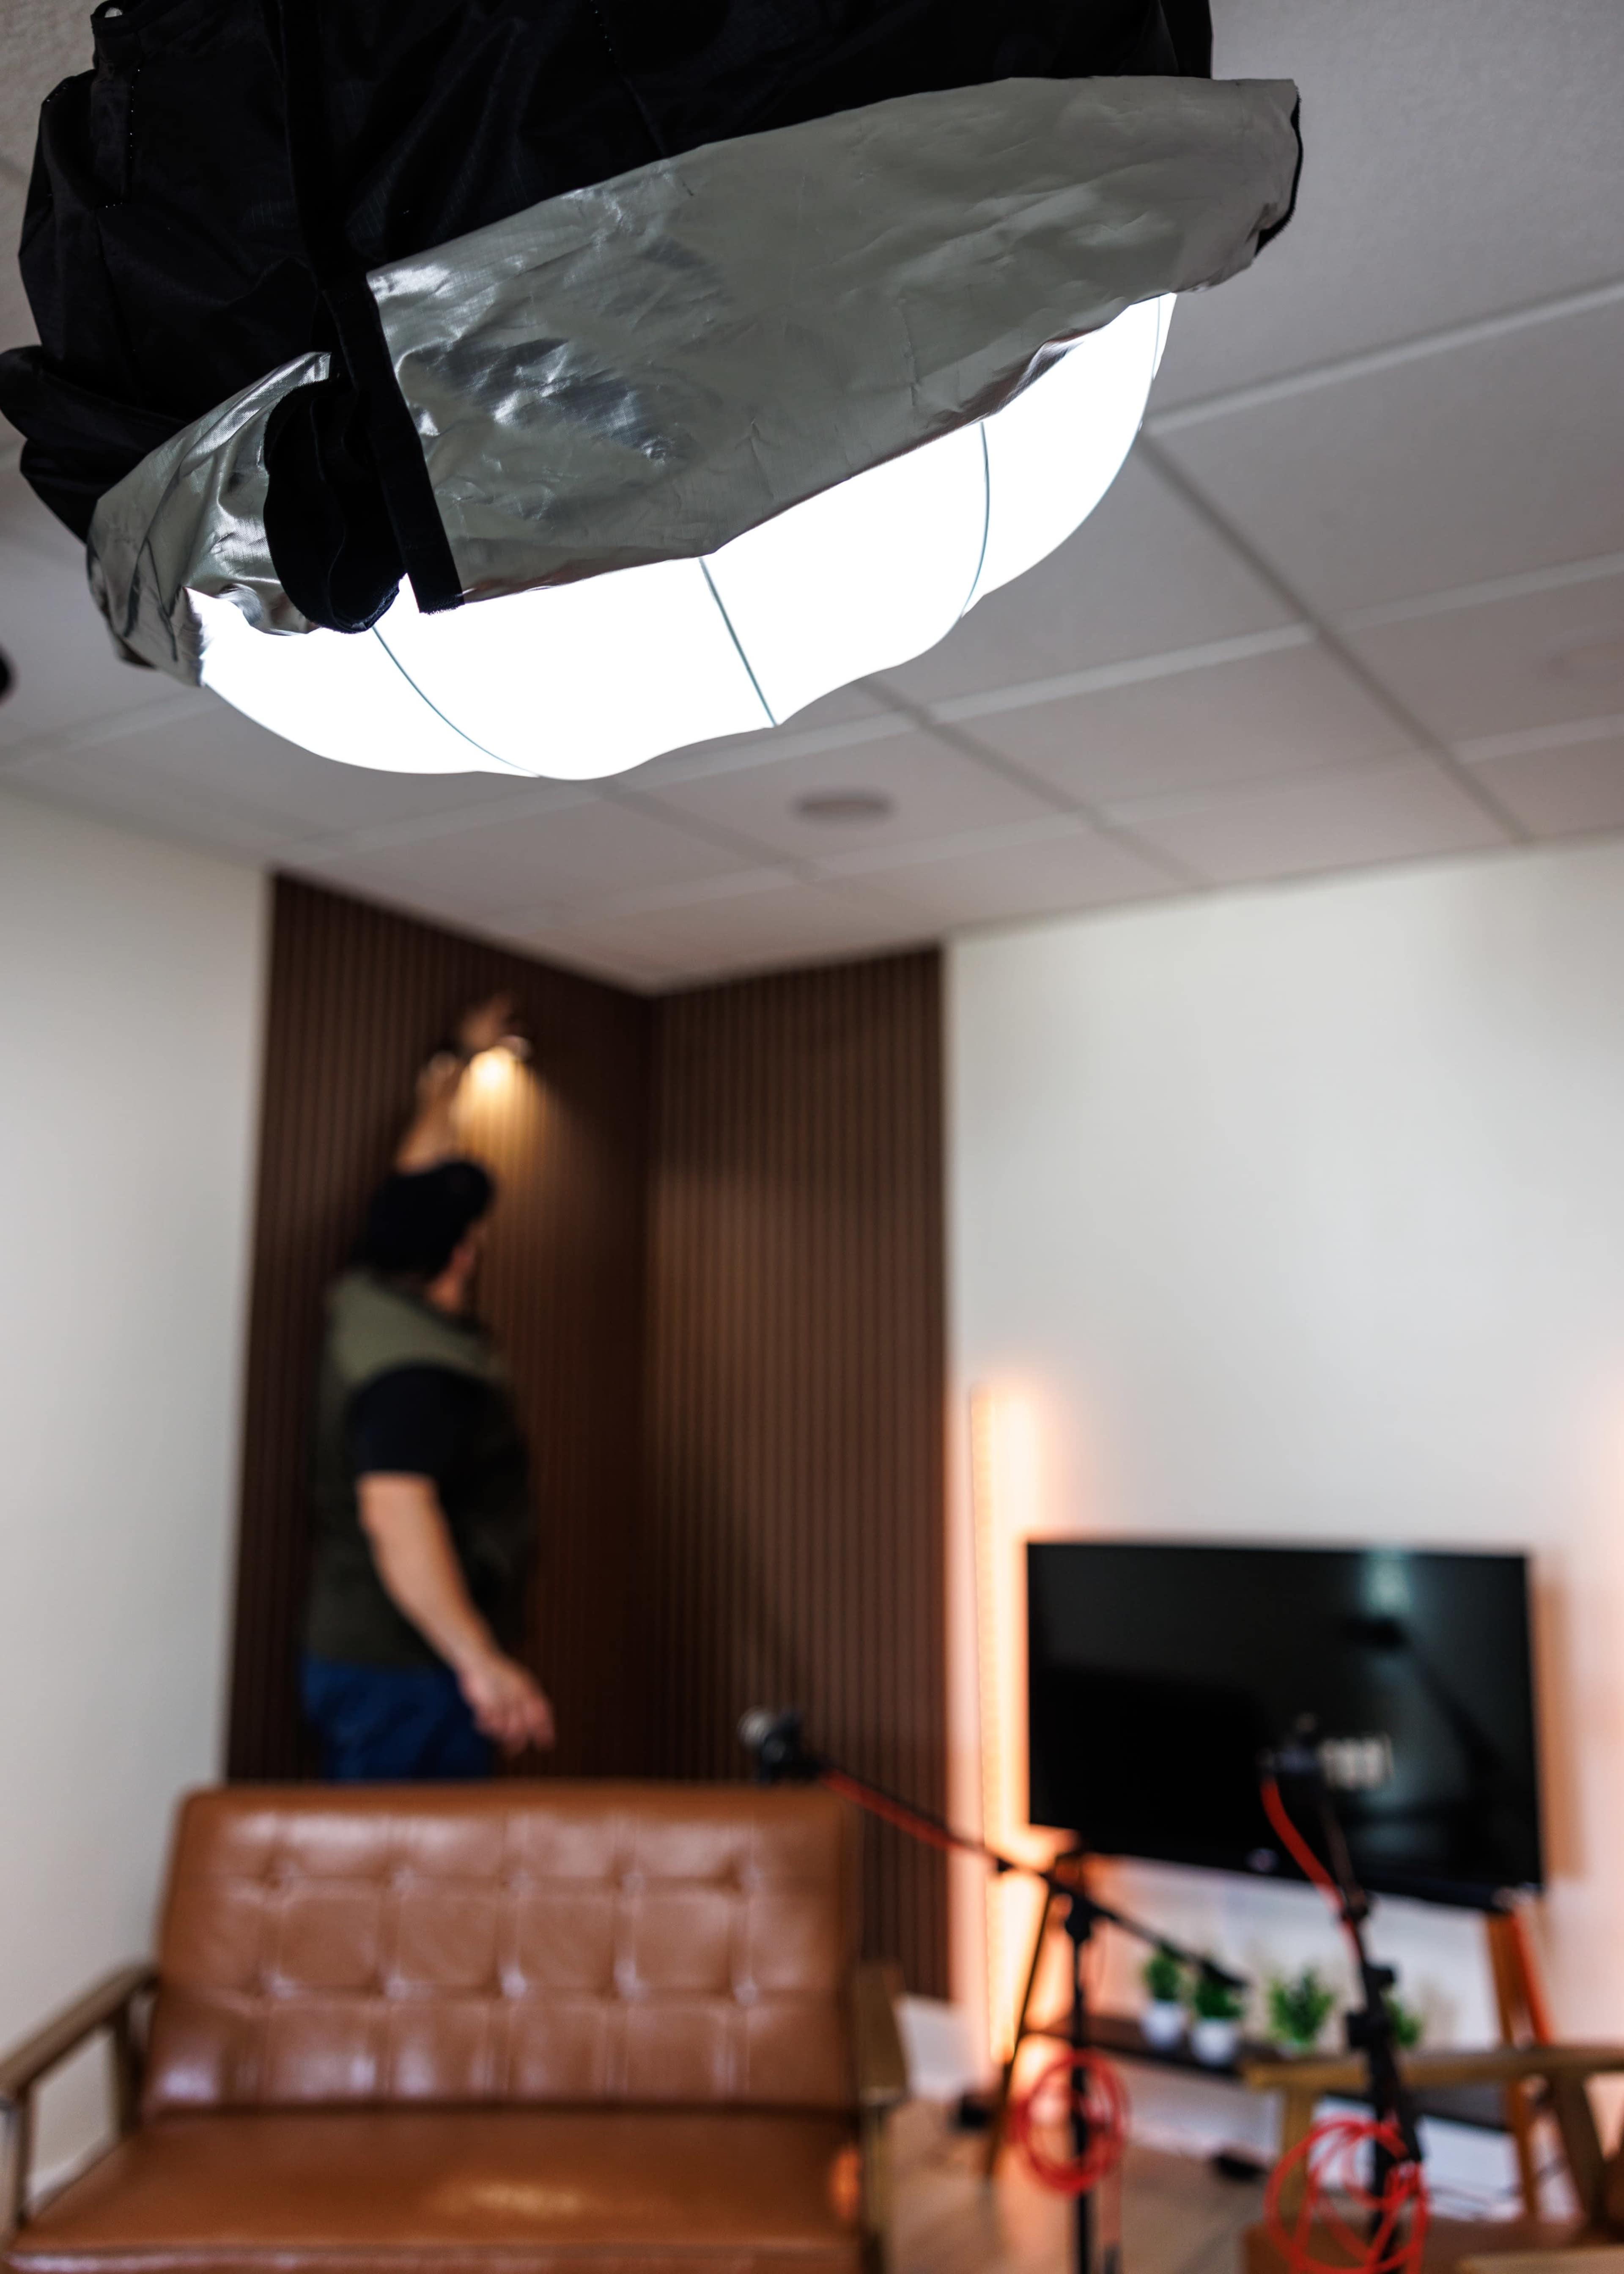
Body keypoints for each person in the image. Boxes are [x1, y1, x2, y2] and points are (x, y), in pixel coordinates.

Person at [300, 994, 555, 1780]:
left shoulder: (366, 1297)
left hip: (372, 1658)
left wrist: (456, 1059)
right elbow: (396, 1514)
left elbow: (417, 1173)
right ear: (464, 1254)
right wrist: (480, 1662)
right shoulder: (419, 1372)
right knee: (412, 1894)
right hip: (407, 1673)